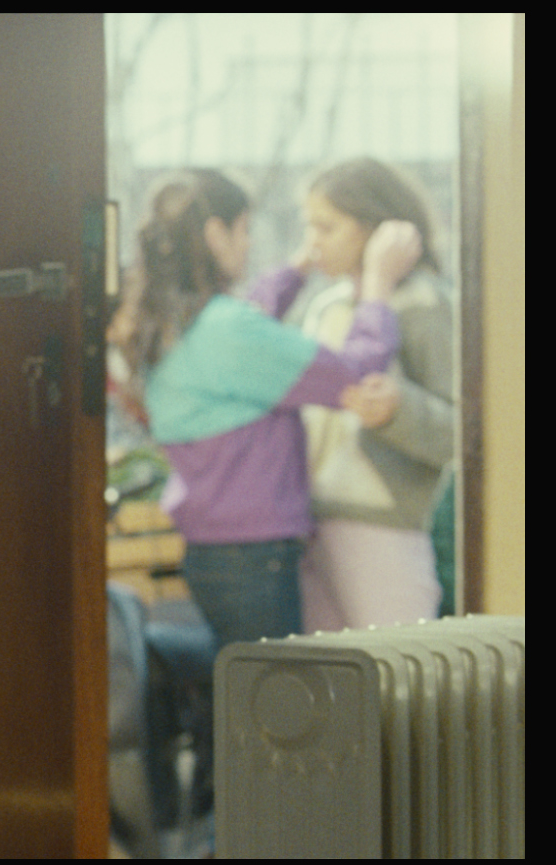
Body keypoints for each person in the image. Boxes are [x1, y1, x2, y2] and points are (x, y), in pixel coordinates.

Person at [120, 168, 414, 650]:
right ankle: (151, 653)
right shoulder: (227, 330)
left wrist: (298, 268)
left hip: (213, 551)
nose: (250, 243)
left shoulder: (173, 324)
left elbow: (250, 321)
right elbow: (355, 373)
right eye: (244, 230)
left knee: (241, 671)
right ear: (216, 234)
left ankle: (152, 655)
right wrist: (378, 286)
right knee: (269, 687)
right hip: (253, 557)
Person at [286, 157, 456, 632]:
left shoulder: (423, 303)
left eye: (326, 227)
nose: (312, 242)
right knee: (330, 678)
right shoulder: (325, 306)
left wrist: (398, 409)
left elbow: (461, 430)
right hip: (312, 527)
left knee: (400, 671)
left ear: (375, 230)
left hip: (383, 531)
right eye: (308, 226)